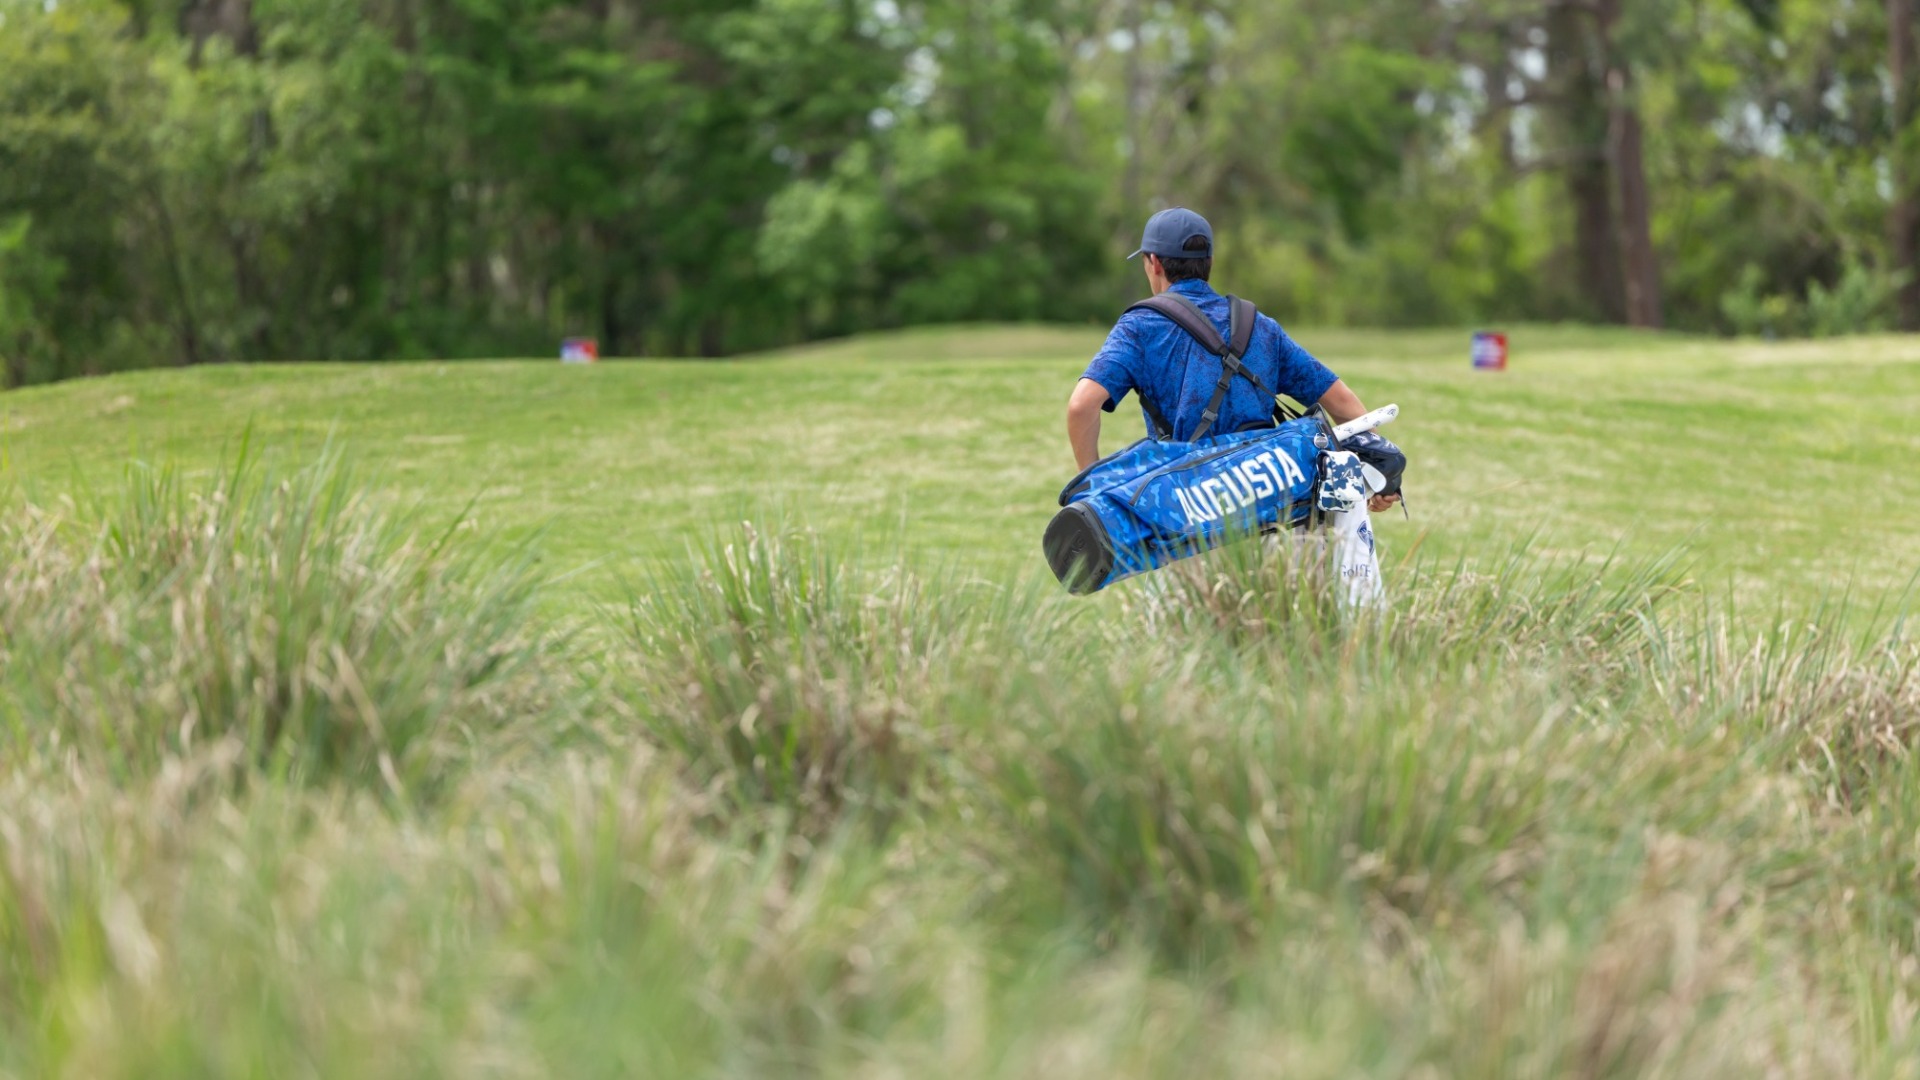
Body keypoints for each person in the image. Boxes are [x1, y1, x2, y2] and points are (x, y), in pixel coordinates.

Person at [1066, 207, 1400, 514]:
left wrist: (1093, 491)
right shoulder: (1259, 326)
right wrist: (1381, 471)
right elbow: (1341, 401)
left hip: (1190, 516)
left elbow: (1082, 406)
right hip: (1272, 508)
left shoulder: (1140, 327)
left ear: (1154, 262)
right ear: (1208, 262)